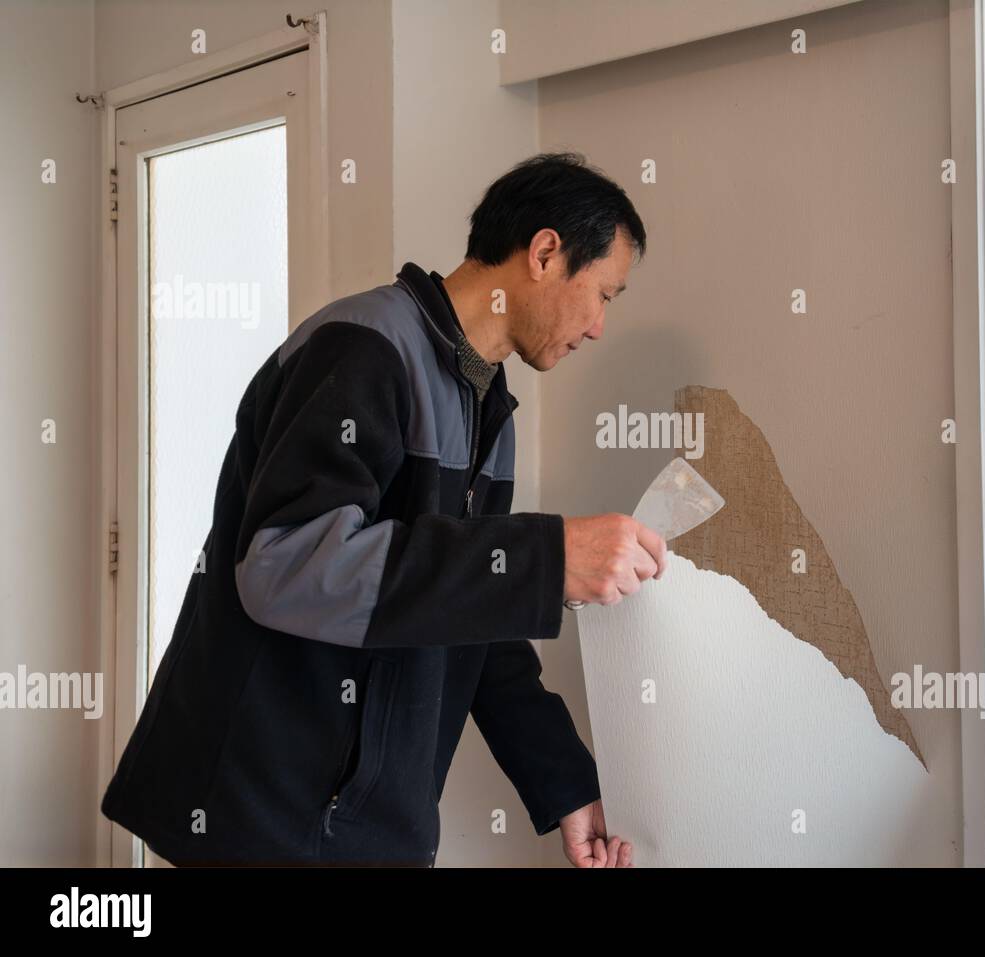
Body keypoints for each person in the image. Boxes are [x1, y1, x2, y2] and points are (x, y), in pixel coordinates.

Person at [101, 151, 667, 867]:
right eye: (606, 294)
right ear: (547, 253)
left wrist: (565, 786)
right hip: (258, 823)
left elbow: (474, 619)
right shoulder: (362, 349)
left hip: (366, 835)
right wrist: (545, 558)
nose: (597, 326)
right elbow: (289, 565)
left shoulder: (488, 408)